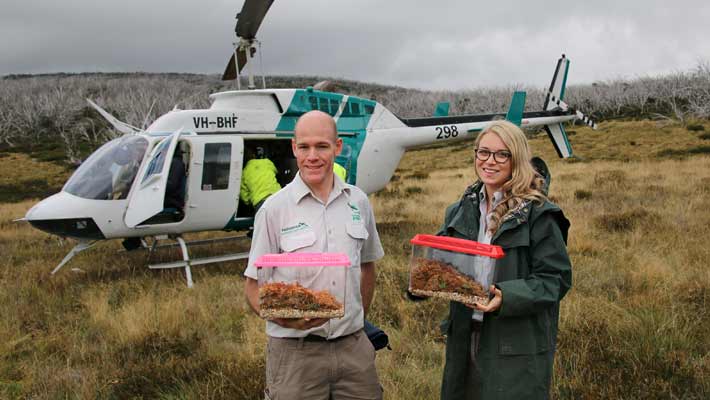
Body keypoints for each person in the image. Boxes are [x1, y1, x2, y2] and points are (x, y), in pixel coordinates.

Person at [244, 110, 385, 400]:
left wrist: (357, 322)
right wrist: (285, 320)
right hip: (296, 354)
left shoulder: (358, 201)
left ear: (338, 147)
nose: (313, 156)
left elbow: (367, 267)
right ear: (293, 148)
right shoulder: (274, 209)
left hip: (353, 350)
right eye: (304, 147)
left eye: (322, 146)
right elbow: (253, 287)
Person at [437, 120, 572, 400]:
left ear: (517, 159)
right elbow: (439, 262)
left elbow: (555, 279)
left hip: (514, 344)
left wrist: (506, 297)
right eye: (483, 152)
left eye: (501, 154)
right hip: (464, 339)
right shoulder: (460, 210)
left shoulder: (539, 215)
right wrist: (425, 278)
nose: (489, 161)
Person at [240, 146, 282, 212]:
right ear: (254, 156)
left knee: (264, 221)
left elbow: (245, 197)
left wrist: (250, 201)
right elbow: (276, 171)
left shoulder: (244, 172)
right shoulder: (267, 162)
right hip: (277, 196)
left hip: (260, 202)